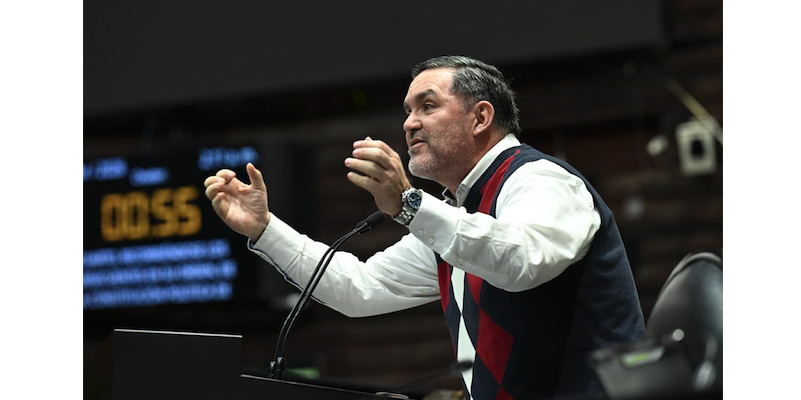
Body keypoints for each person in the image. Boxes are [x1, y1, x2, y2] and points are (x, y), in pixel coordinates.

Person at [204, 55, 644, 400]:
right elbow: (359, 288)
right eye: (407, 111)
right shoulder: (454, 216)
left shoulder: (540, 179)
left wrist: (410, 204)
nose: (409, 123)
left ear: (480, 117)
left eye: (427, 106)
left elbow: (521, 261)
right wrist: (264, 228)